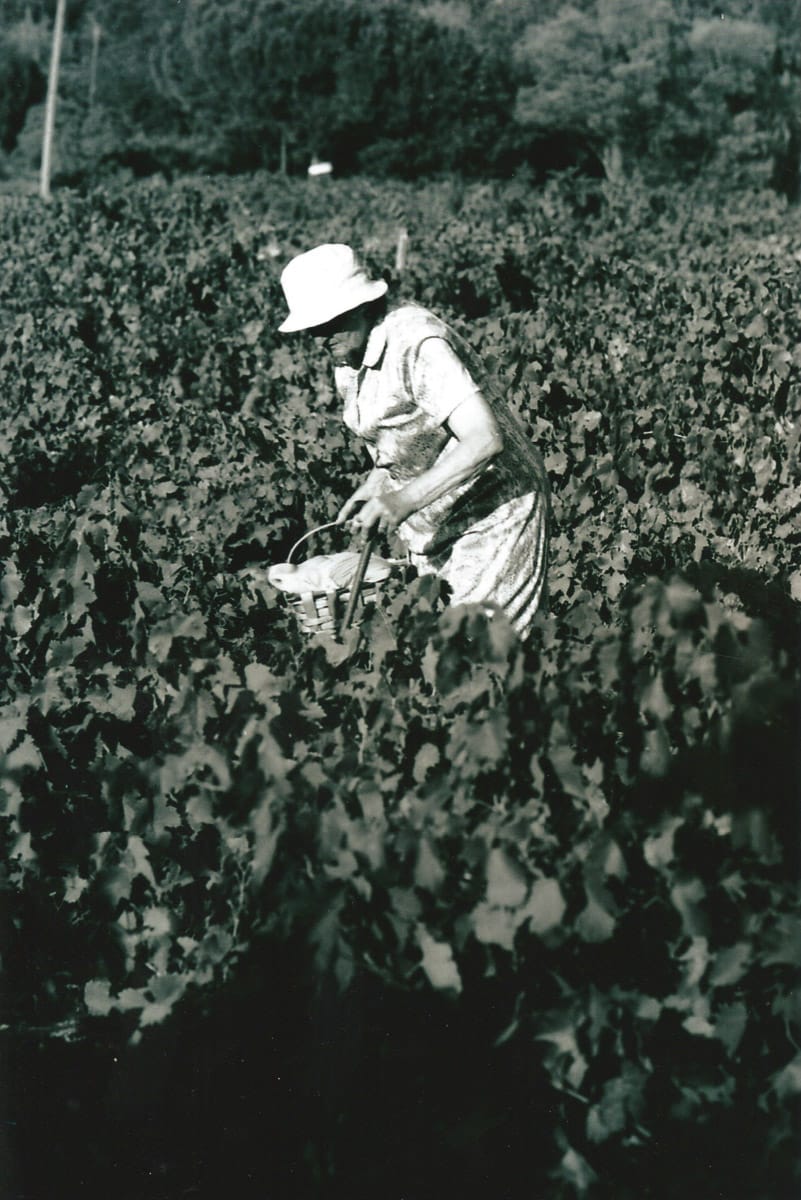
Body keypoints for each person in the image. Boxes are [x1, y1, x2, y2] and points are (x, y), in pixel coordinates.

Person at [277, 243, 549, 640]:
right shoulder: (348, 359)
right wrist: (377, 483)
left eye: (325, 324)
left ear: (360, 306)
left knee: (479, 654)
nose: (317, 337)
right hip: (437, 523)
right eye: (310, 329)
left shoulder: (418, 344)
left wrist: (403, 500)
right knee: (448, 650)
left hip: (495, 511)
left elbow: (485, 438)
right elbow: (401, 433)